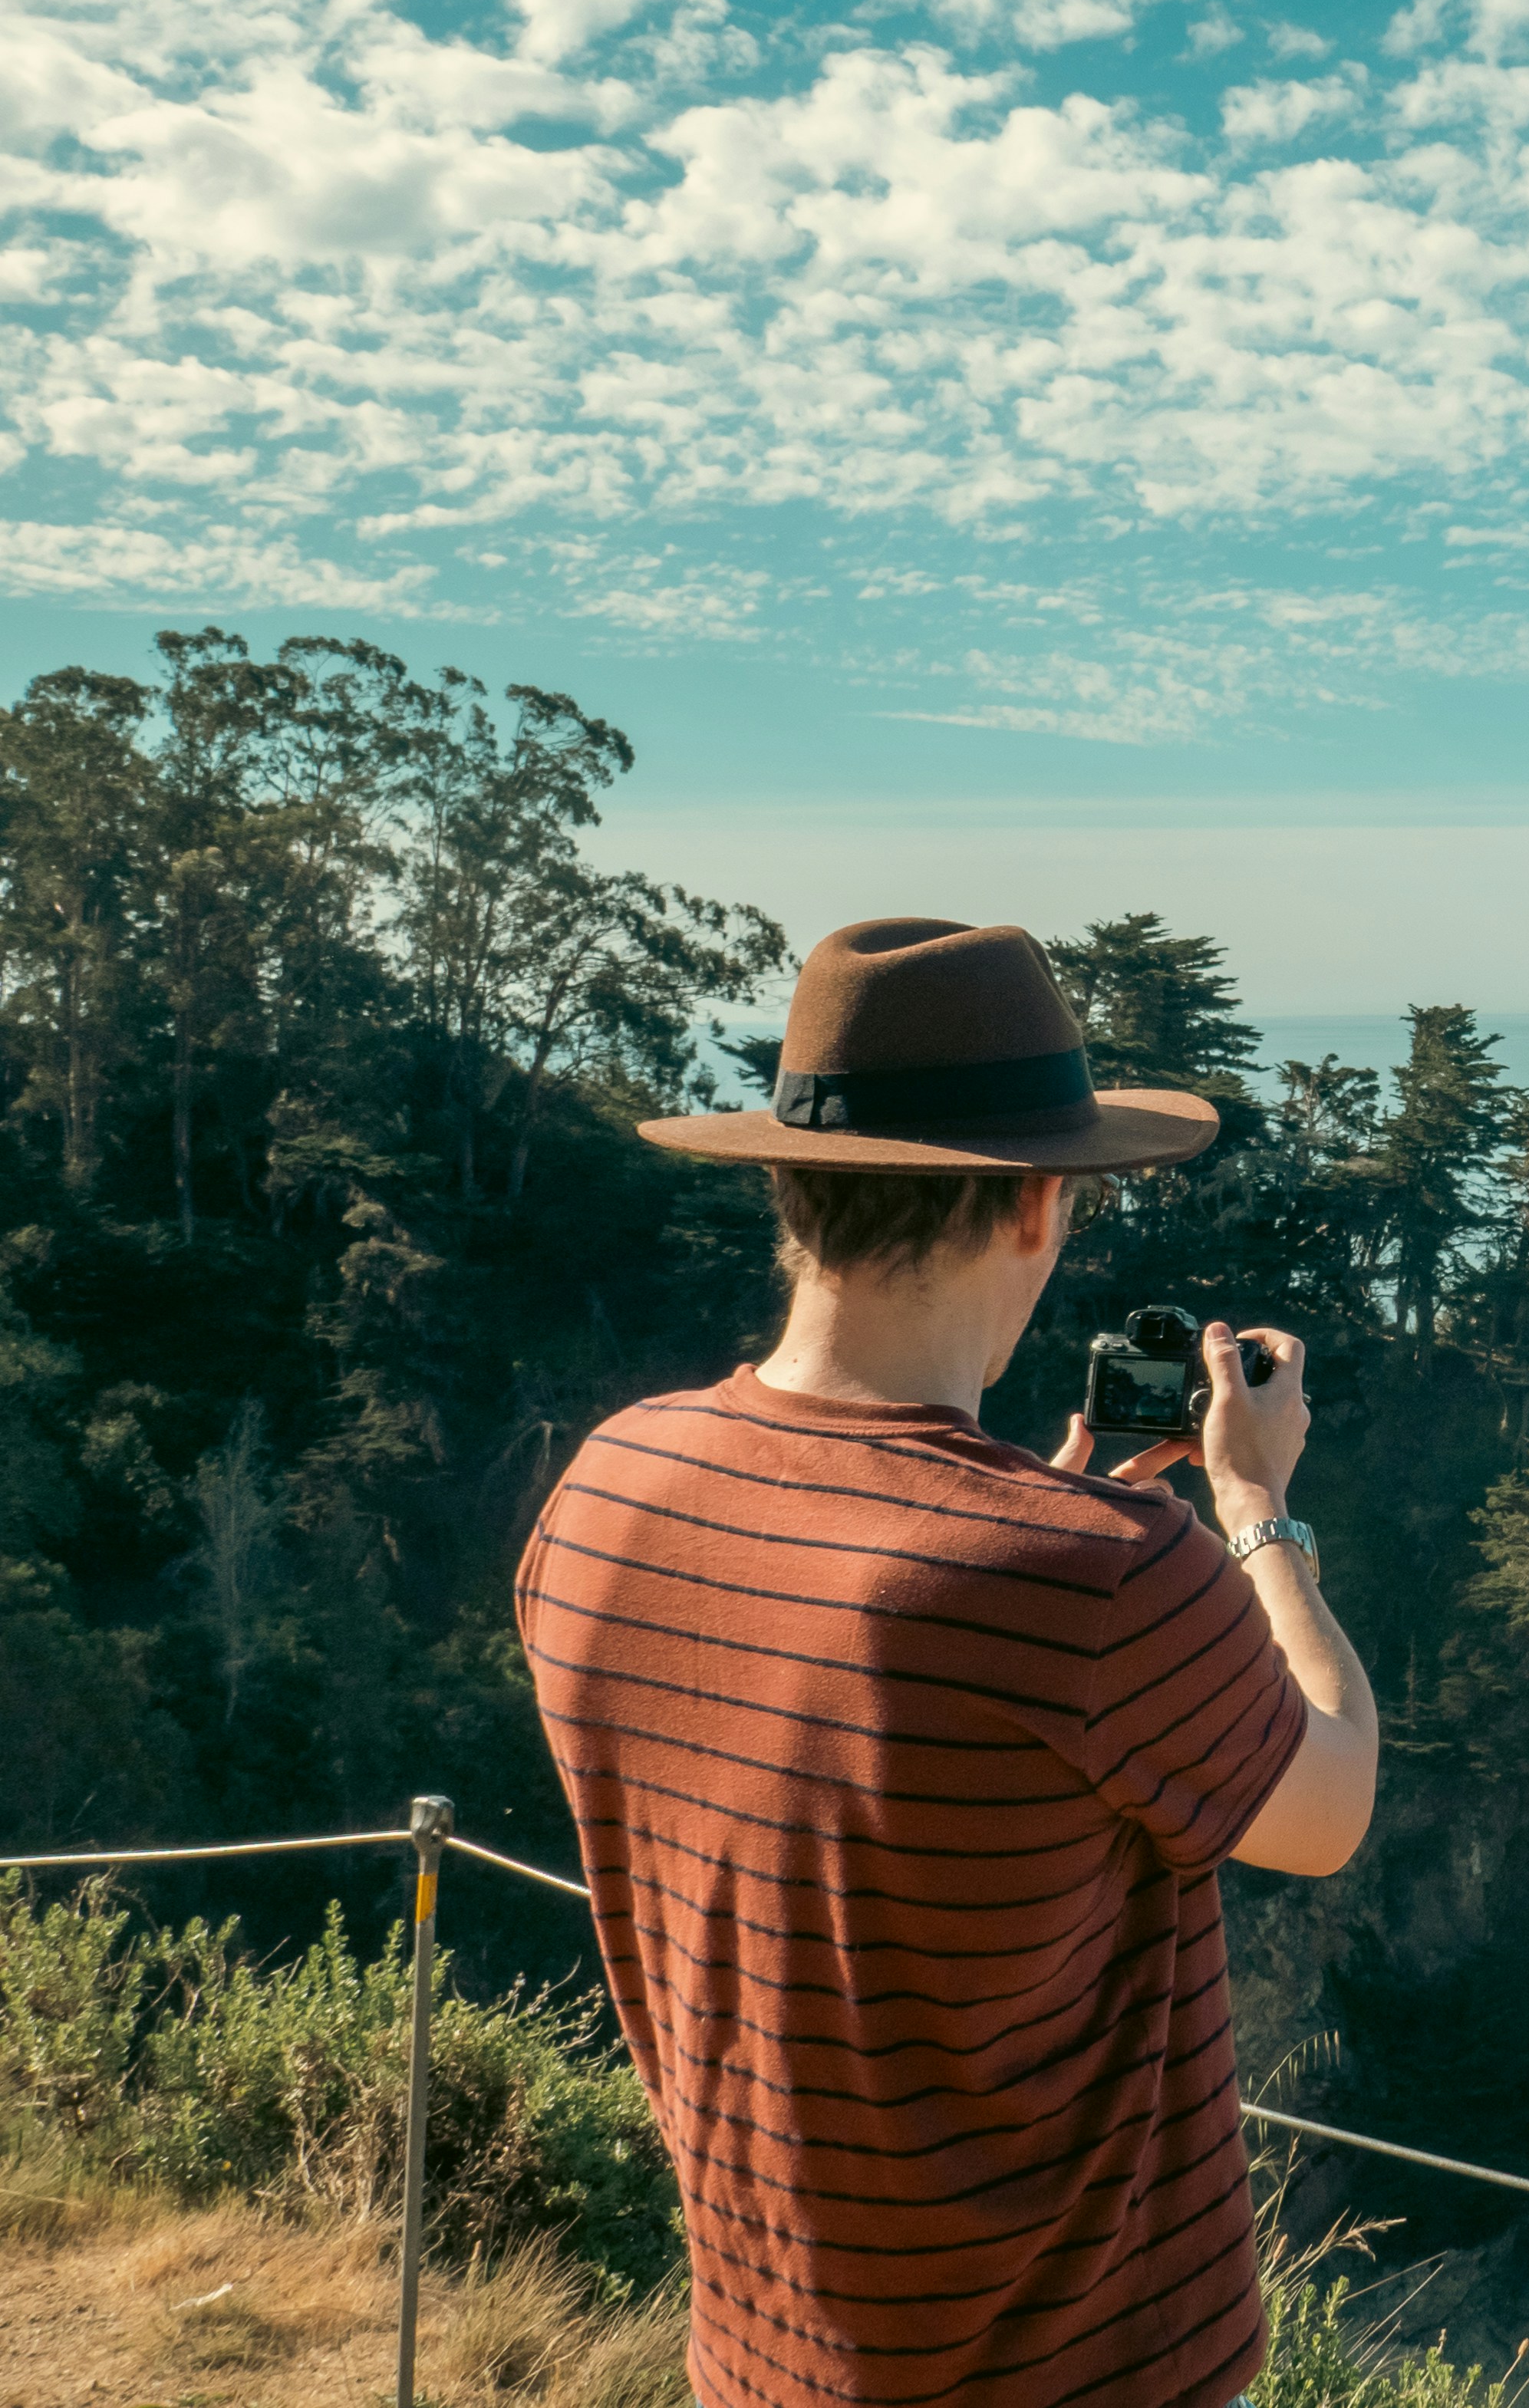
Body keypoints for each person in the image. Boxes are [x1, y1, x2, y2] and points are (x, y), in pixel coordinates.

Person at [517, 915, 1376, 2408]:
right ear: (1041, 1207)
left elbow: (851, 1699)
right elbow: (1331, 1800)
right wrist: (1255, 1514)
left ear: (790, 1186)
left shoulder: (601, 1492)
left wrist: (1046, 1517)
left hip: (762, 2365)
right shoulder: (1099, 1575)